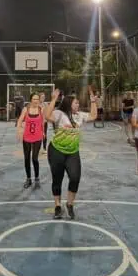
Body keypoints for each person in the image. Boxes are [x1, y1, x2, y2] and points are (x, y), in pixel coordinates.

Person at [44, 86, 98, 220]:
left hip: (72, 152)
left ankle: (69, 204)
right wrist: (53, 99)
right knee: (57, 180)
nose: (78, 104)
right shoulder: (59, 114)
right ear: (69, 103)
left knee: (75, 178)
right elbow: (46, 115)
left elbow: (93, 115)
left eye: (78, 103)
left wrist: (93, 102)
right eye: (76, 103)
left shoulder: (79, 116)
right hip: (56, 151)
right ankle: (57, 206)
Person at [17, 93, 44, 189]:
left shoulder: (41, 109)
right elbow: (20, 121)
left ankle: (37, 177)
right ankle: (28, 178)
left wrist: (43, 133)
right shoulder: (26, 109)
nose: (36, 100)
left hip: (37, 137)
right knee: (27, 158)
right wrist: (19, 131)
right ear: (31, 100)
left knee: (35, 158)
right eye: (34, 99)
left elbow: (43, 122)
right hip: (27, 137)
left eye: (37, 99)